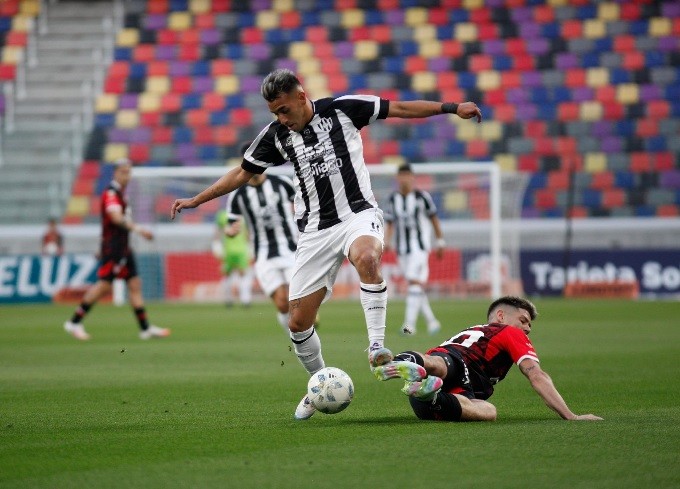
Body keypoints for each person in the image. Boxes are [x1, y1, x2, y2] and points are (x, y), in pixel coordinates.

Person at [170, 68, 482, 420]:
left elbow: (402, 109)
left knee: (366, 257)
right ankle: (319, 381)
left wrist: (453, 107)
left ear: (301, 96)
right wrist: (197, 200)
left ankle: (376, 346)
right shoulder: (275, 136)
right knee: (298, 322)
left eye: (284, 110)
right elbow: (241, 173)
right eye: (274, 113)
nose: (280, 118)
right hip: (314, 232)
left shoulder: (344, 109)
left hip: (357, 215)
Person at [371, 296, 603, 422]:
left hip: (435, 395)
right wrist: (571, 416)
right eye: (523, 320)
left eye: (530, 324)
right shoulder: (509, 332)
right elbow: (536, 375)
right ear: (501, 316)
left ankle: (417, 380)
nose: (528, 328)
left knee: (488, 410)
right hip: (459, 365)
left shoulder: (475, 330)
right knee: (442, 366)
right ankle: (406, 370)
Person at [63, 158, 170, 341]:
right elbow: (114, 218)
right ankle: (74, 322)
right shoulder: (111, 193)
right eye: (123, 171)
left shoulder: (121, 194)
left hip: (124, 247)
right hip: (114, 248)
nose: (126, 175)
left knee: (135, 285)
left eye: (129, 171)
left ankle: (145, 328)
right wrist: (139, 230)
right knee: (104, 285)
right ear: (115, 173)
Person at [226, 158, 298, 333]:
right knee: (282, 303)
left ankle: (304, 327)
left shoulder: (282, 183)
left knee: (299, 300)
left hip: (291, 250)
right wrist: (231, 231)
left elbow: (302, 204)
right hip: (263, 254)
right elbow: (231, 224)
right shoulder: (238, 195)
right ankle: (297, 339)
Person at [384, 163, 445, 336]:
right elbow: (389, 223)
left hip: (420, 248)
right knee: (415, 287)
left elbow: (434, 219)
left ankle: (409, 326)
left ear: (412, 177)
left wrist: (440, 242)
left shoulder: (422, 197)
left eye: (407, 175)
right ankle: (432, 321)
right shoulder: (393, 199)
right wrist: (386, 241)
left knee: (413, 283)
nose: (404, 179)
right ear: (397, 178)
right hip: (402, 250)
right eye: (401, 175)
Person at [213, 207, 254, 308]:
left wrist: (216, 244)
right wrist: (251, 247)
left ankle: (230, 300)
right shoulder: (242, 214)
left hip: (233, 250)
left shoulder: (223, 215)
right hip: (238, 250)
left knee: (229, 275)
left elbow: (218, 232)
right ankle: (245, 300)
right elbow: (248, 233)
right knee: (241, 274)